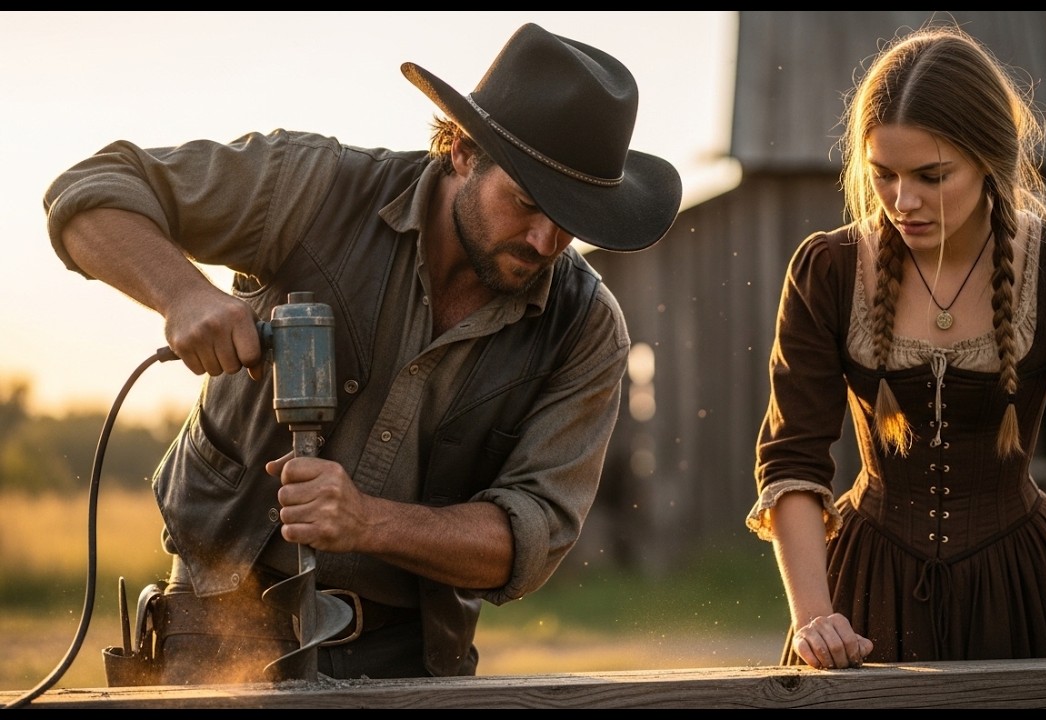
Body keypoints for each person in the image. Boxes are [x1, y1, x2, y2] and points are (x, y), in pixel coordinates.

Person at [43, 23, 681, 684]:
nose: (547, 241)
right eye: (526, 204)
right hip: (212, 629)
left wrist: (366, 522)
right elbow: (91, 192)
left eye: (570, 219)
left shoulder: (585, 328)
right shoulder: (312, 189)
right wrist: (183, 295)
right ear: (462, 149)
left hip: (414, 664)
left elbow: (528, 541)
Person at [744, 23, 1046, 709]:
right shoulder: (830, 271)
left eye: (931, 176)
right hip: (865, 595)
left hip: (1023, 593)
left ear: (990, 159)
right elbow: (792, 459)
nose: (903, 201)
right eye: (884, 176)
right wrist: (814, 616)